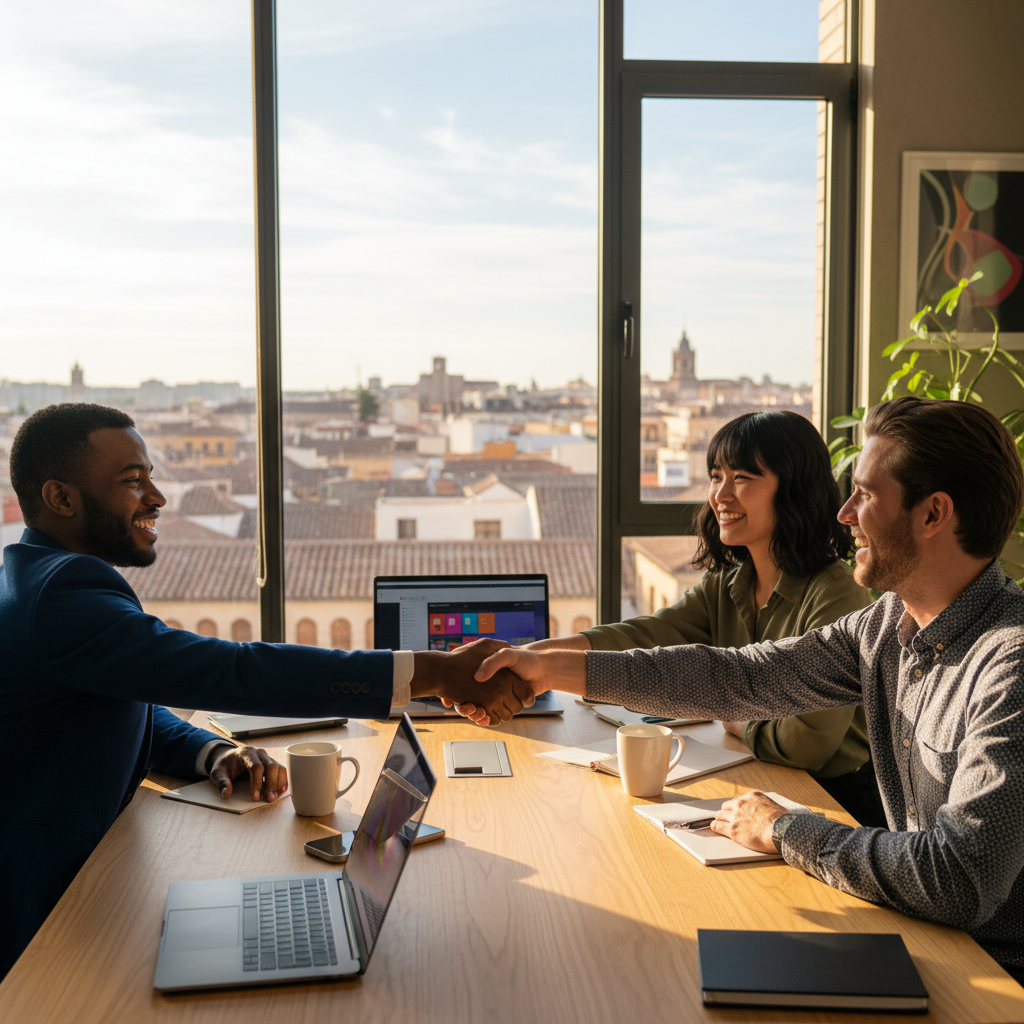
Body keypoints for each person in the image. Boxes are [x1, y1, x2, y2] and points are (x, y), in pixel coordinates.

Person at [472, 397, 1024, 983]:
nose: (845, 514)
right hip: (924, 939)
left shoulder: (1009, 665)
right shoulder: (886, 625)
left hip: (994, 979)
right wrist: (545, 669)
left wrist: (783, 827)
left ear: (933, 513)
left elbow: (959, 880)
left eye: (865, 494)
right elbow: (739, 677)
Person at [0, 403, 530, 978]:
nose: (156, 496)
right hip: (44, 907)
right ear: (61, 498)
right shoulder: (63, 595)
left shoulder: (40, 577)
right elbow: (231, 670)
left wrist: (211, 752)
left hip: (95, 875)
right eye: (133, 481)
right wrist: (427, 671)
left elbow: (122, 703)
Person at [524, 410, 880, 824]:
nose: (720, 496)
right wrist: (530, 656)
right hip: (760, 783)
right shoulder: (730, 584)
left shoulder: (837, 593)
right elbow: (642, 635)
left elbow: (807, 744)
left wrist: (734, 718)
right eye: (716, 477)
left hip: (835, 805)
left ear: (794, 489)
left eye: (743, 479)